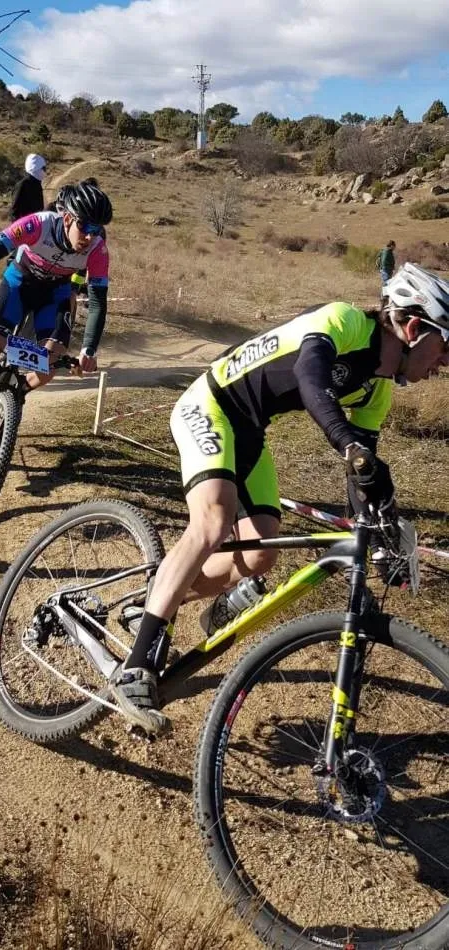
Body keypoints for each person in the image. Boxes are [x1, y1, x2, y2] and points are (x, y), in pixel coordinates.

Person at [111, 263, 449, 733]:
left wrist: (380, 526)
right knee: (213, 520)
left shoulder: (378, 390)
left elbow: (361, 475)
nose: (445, 362)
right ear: (413, 328)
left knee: (259, 553)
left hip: (249, 431)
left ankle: (149, 605)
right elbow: (311, 378)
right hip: (209, 404)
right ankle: (136, 668)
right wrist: (347, 444)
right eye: (445, 345)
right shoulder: (346, 322)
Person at [0, 182, 113, 450]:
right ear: (67, 218)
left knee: (49, 365)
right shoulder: (38, 224)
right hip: (18, 285)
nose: (90, 236)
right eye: (85, 226)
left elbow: (98, 302)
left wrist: (89, 349)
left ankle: (16, 395)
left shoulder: (97, 249)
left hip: (54, 297)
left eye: (97, 229)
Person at [9, 153, 46, 221]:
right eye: (43, 168)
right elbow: (14, 211)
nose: (45, 171)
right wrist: (19, 226)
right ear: (36, 168)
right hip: (24, 225)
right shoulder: (22, 185)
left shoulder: (37, 185)